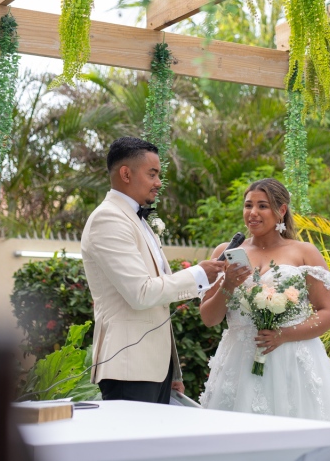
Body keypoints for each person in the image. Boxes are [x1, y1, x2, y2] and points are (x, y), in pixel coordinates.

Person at [198, 178, 330, 460]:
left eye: (262, 206)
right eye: (248, 205)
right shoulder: (225, 252)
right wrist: (227, 284)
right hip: (238, 364)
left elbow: (327, 313)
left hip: (292, 362)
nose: (252, 212)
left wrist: (284, 334)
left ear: (281, 210)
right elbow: (209, 318)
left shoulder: (304, 253)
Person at [81, 137, 225, 404]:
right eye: (153, 174)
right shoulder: (108, 218)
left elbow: (157, 302)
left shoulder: (138, 219)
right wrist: (199, 274)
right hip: (127, 367)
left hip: (153, 368)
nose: (159, 183)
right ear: (126, 173)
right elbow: (142, 293)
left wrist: (172, 367)